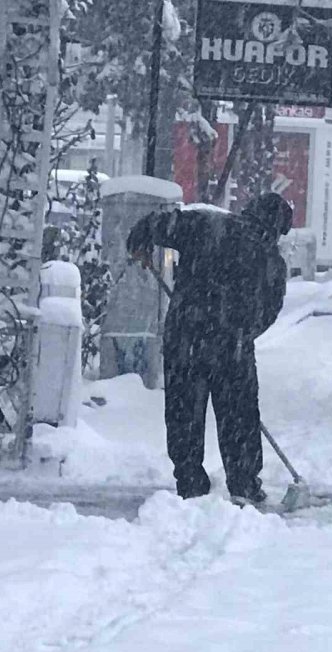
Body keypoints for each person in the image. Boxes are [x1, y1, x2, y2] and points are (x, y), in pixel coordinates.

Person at [127, 193, 293, 505]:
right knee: (239, 417)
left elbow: (154, 224)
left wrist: (141, 243)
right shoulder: (272, 261)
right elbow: (267, 314)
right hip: (232, 348)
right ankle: (244, 484)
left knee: (184, 415)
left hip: (185, 339)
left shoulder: (206, 225)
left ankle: (190, 483)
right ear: (277, 229)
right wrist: (237, 332)